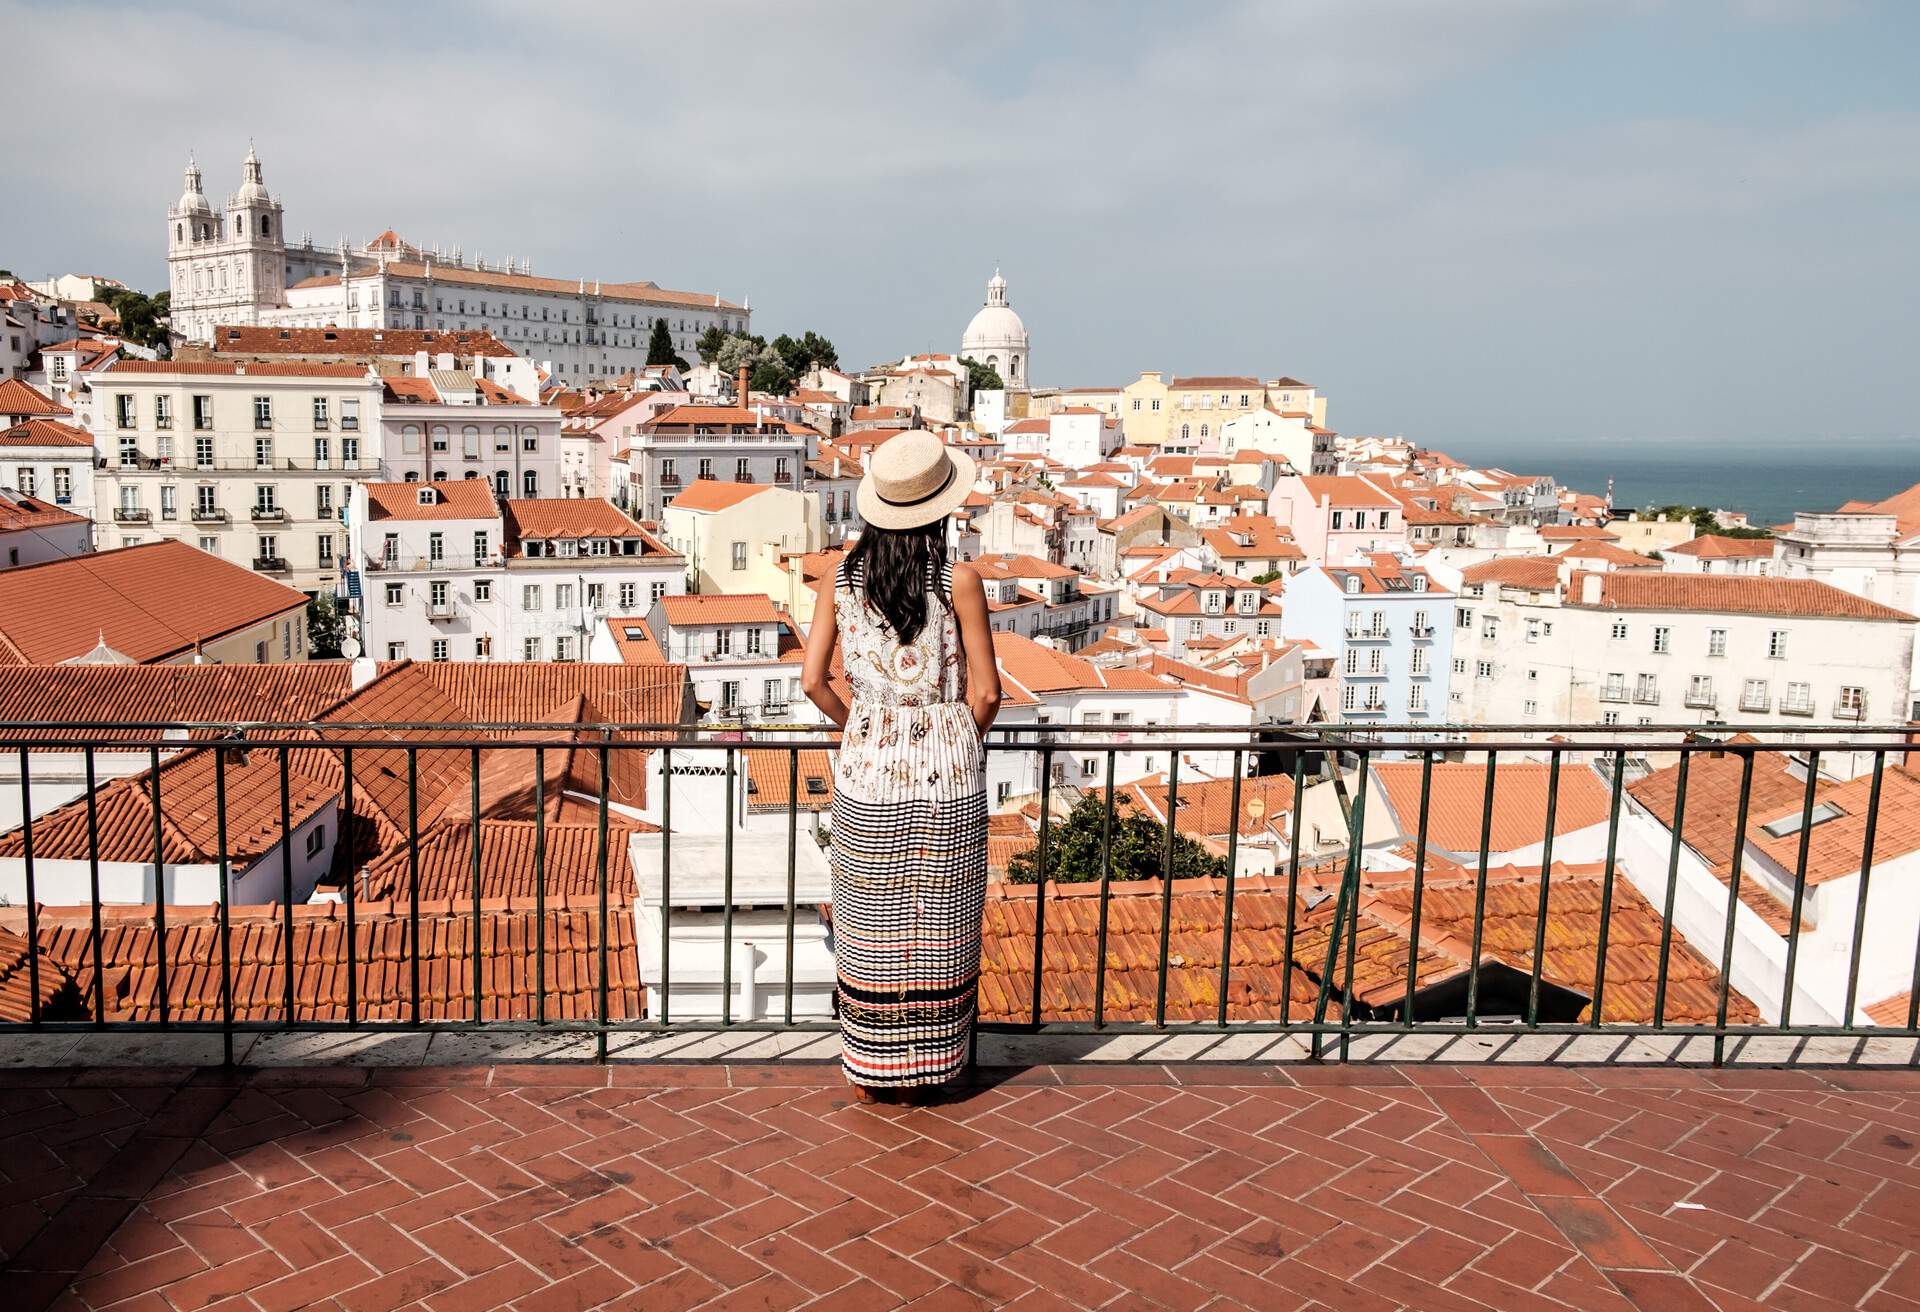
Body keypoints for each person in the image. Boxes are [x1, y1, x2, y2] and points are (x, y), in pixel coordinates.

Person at [801, 428, 1001, 1104]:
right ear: (941, 508)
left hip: (868, 767)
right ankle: (938, 1065)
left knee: (870, 924)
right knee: (944, 922)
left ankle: (875, 1067)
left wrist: (861, 727)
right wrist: (950, 739)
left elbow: (812, 682)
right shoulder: (960, 581)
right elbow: (986, 693)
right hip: (949, 772)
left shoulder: (839, 579)